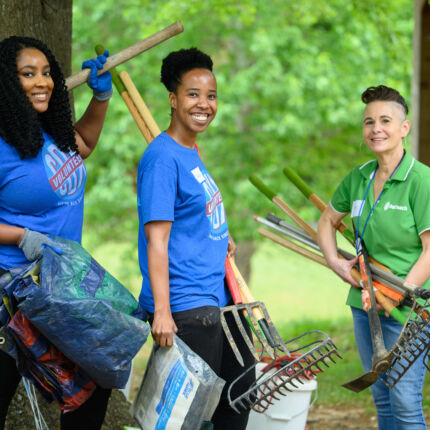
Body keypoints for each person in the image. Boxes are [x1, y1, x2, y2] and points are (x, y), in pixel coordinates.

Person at [137, 47, 255, 429]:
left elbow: (195, 212)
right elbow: (156, 242)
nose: (204, 104)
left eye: (211, 95)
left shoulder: (191, 152)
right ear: (173, 100)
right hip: (188, 307)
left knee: (238, 398)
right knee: (187, 420)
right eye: (193, 94)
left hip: (219, 300)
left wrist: (222, 234)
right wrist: (162, 312)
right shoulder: (162, 158)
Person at [0, 36, 113, 430]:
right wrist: (20, 237)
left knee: (97, 378)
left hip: (63, 286)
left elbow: (84, 144)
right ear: (6, 83)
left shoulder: (50, 130)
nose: (42, 81)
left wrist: (100, 99)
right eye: (28, 74)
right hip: (14, 294)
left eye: (47, 72)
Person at [318, 84, 430, 429]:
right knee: (381, 396)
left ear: (404, 128)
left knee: (404, 401)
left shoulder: (421, 180)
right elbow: (326, 221)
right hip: (365, 303)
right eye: (369, 122)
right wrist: (336, 263)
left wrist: (400, 293)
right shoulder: (359, 177)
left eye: (385, 120)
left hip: (408, 307)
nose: (376, 129)